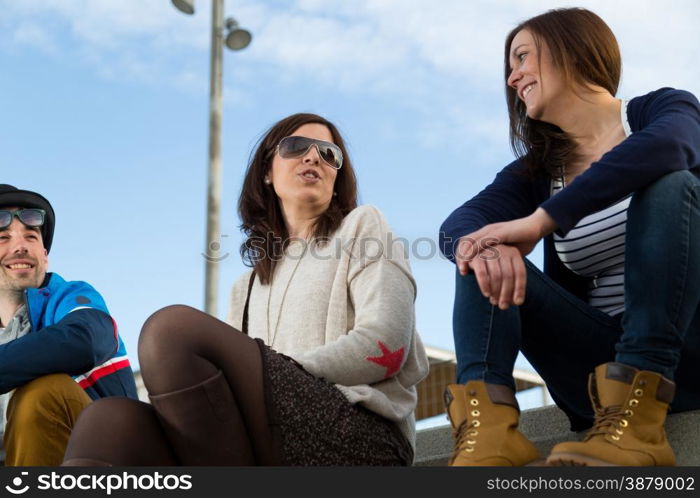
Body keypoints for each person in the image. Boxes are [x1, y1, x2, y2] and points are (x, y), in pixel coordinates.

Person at [62, 113, 429, 466]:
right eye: (297, 145)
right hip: (266, 439)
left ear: (338, 177)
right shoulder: (247, 286)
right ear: (267, 171)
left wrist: (282, 373)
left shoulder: (364, 227)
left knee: (170, 332)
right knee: (109, 420)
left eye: (329, 153)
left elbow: (387, 346)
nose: (314, 156)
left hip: (360, 436)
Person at [439, 7, 700, 467]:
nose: (513, 78)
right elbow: (461, 222)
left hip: (686, 357)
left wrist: (542, 221)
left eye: (522, 58)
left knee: (671, 184)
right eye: (510, 66)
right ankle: (489, 434)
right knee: (484, 248)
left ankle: (639, 424)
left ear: (571, 48)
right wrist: (478, 246)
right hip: (594, 377)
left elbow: (668, 150)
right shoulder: (540, 171)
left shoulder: (664, 111)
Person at [0, 184, 138, 466]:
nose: (21, 246)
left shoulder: (71, 297)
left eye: (31, 236)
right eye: (3, 237)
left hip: (105, 460)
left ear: (44, 256)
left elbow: (85, 340)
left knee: (41, 393)